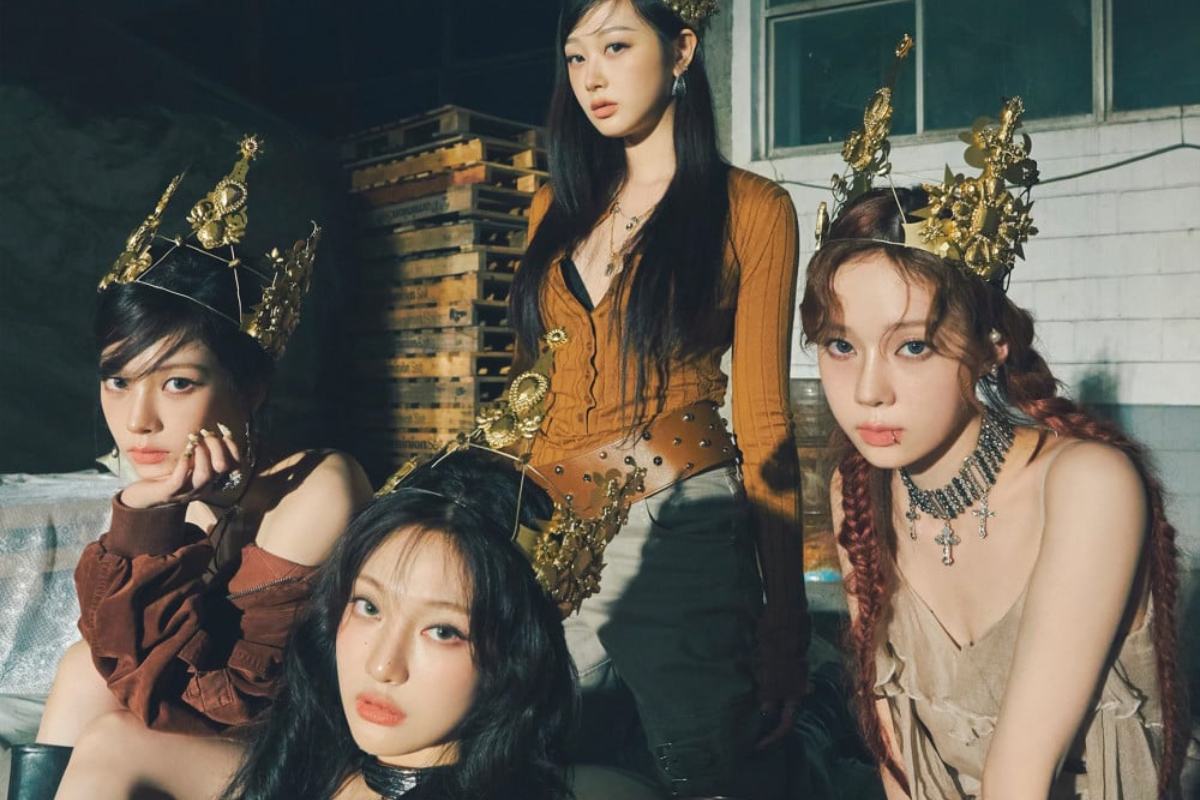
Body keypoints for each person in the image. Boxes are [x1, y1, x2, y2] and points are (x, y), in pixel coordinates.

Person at [801, 71, 1184, 798]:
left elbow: (1018, 778)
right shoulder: (858, 489)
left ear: (991, 348)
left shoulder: (1087, 484)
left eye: (913, 346)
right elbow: (899, 759)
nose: (868, 390)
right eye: (840, 345)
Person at [7, 137, 373, 800]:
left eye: (177, 383)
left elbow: (225, 698)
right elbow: (113, 650)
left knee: (113, 737)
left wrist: (147, 524)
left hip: (297, 747)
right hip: (203, 726)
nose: (138, 420)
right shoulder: (188, 480)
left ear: (250, 388)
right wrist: (153, 512)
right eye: (119, 381)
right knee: (83, 669)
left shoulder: (318, 488)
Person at [508, 1, 808, 795]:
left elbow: (765, 419)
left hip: (675, 526)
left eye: (615, 47)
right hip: (548, 527)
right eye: (576, 57)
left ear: (681, 51)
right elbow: (533, 388)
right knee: (533, 757)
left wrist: (784, 620)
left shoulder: (752, 209)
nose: (591, 77)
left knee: (700, 767)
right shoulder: (553, 208)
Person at [220, 446, 662, 800]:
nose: (383, 666)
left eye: (443, 631)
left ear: (516, 651)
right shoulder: (286, 769)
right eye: (369, 607)